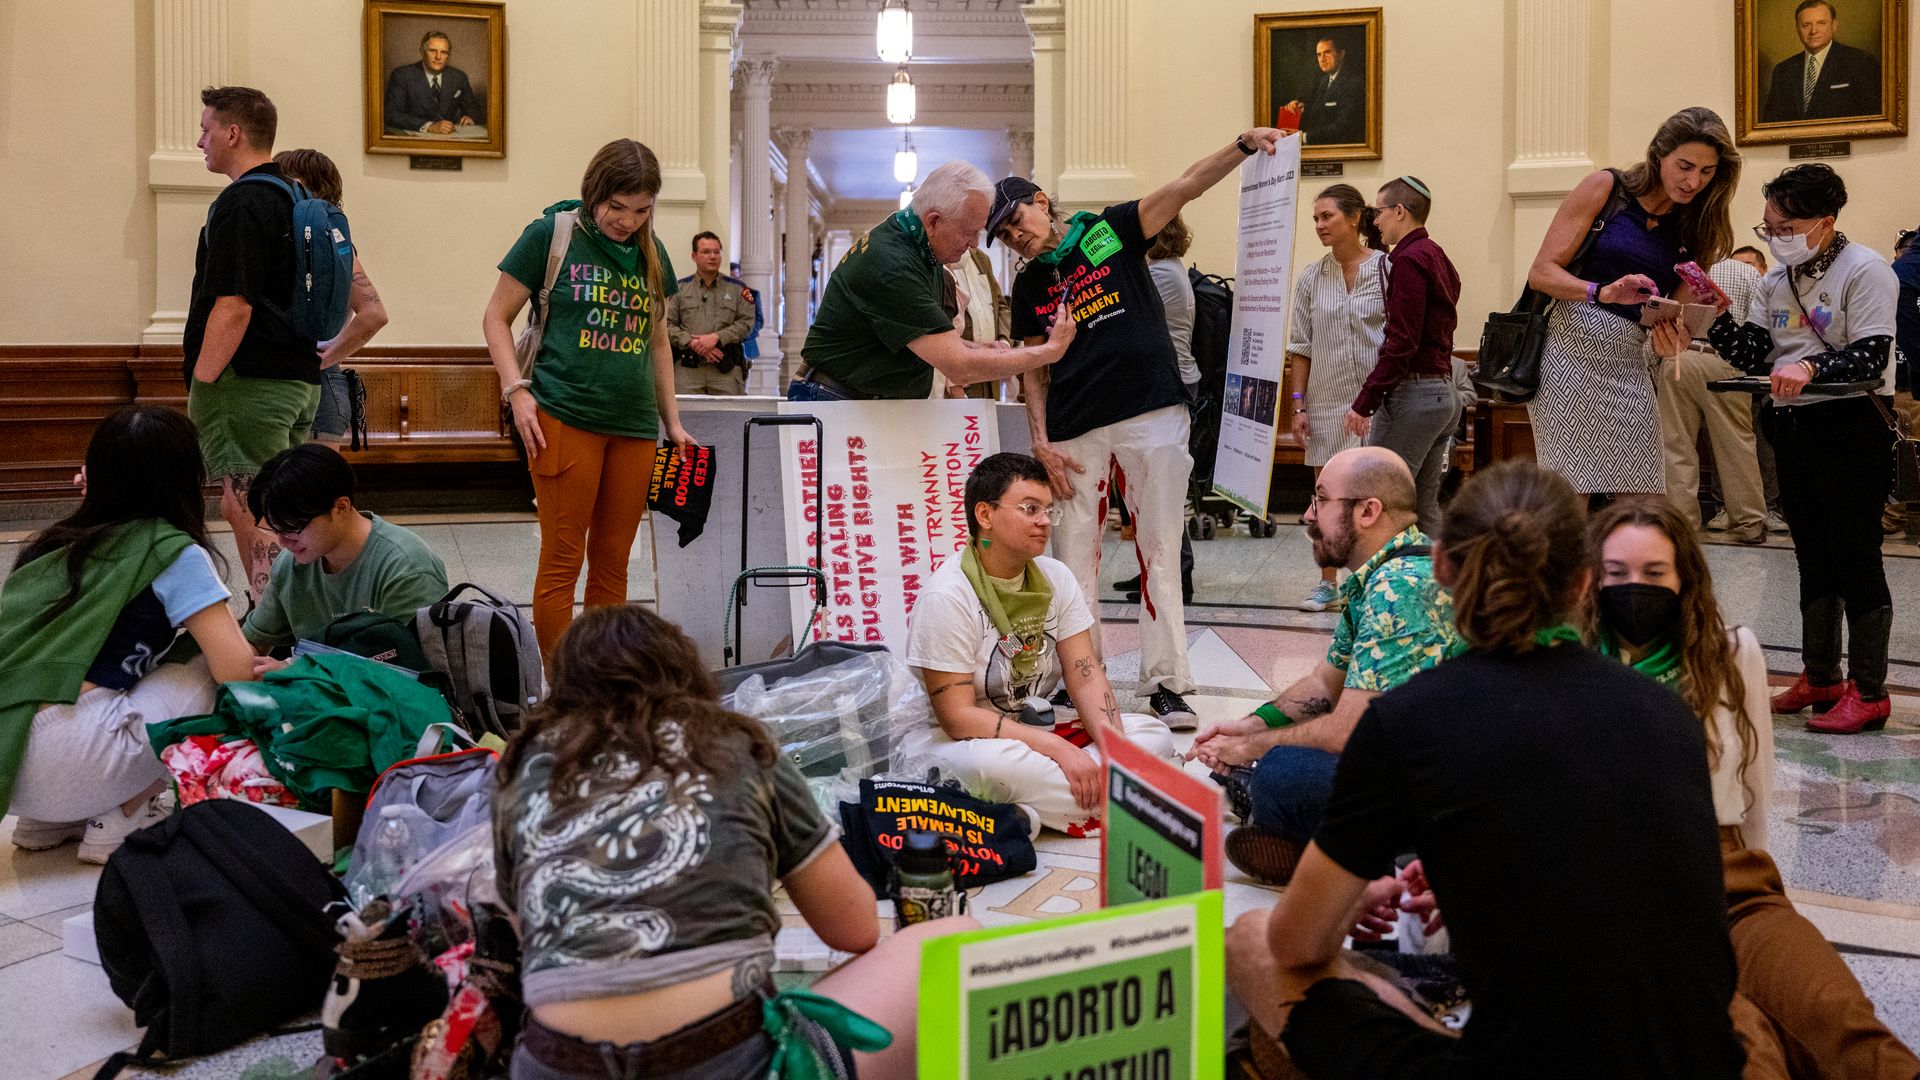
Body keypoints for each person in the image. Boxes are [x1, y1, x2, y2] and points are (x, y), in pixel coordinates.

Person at [1224, 461, 1744, 1080]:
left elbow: (1295, 945)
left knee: (1253, 938)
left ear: (1442, 566)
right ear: (1583, 584)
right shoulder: (1666, 714)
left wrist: (1346, 902)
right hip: (1704, 1062)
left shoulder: (1410, 720)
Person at [494, 604, 970, 1080]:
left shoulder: (524, 769)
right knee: (955, 941)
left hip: (553, 1064)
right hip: (723, 1058)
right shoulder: (736, 744)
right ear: (687, 672)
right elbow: (855, 929)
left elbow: (528, 936)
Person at [1588, 498, 1920, 1079]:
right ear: (1592, 580)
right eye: (1617, 574)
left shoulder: (1731, 653)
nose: (1634, 587)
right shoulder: (1572, 667)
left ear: (1685, 577)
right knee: (1743, 1045)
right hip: (1624, 894)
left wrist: (1769, 891)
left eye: (1653, 573)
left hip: (1733, 882)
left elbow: (1755, 791)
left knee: (1835, 1014)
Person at [993, 127, 1286, 729]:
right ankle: (1080, 677)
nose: (1014, 234)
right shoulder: (1028, 284)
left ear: (1041, 201)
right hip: (1075, 431)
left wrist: (1239, 145)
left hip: (1152, 412)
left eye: (1016, 217)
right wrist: (1041, 442)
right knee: (1074, 558)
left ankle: (1167, 682)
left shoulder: (1106, 231)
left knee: (1157, 548)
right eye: (1002, 233)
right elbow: (1032, 374)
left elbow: (1182, 187)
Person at [0, 407, 257, 864]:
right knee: (202, 667)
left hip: (10, 763)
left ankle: (47, 822)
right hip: (74, 761)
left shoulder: (50, 543)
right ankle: (119, 815)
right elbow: (238, 672)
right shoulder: (173, 551)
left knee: (106, 669)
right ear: (184, 477)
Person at [1187, 448, 1455, 885]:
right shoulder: (1377, 575)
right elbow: (1322, 685)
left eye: (1321, 500)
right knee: (1283, 762)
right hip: (1415, 768)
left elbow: (1346, 730)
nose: (1308, 515)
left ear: (1369, 511)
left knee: (1280, 775)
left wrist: (1256, 749)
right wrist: (1254, 725)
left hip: (1443, 790)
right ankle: (1312, 842)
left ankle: (1363, 858)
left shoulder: (1399, 587)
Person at [1700, 163, 1900, 734]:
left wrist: (1809, 364)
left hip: (1852, 425)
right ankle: (1821, 676)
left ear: (1824, 222)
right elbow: (1756, 352)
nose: (1775, 237)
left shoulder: (1866, 271)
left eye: (1784, 226)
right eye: (1768, 228)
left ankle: (1870, 690)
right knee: (1811, 553)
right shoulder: (1773, 282)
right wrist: (1714, 317)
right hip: (1793, 426)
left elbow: (1869, 357)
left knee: (1855, 554)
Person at [481, 139, 696, 658]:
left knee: (614, 562)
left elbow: (659, 341)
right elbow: (495, 318)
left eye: (642, 210)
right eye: (616, 207)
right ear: (594, 193)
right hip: (563, 415)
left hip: (635, 425)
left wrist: (673, 420)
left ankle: (600, 682)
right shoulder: (550, 235)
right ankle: (562, 691)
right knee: (562, 560)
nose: (627, 221)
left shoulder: (652, 250)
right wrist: (518, 393)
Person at [902, 453, 1176, 838]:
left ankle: (1025, 811)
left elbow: (1085, 674)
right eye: (1030, 509)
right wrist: (1059, 751)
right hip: (967, 743)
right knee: (996, 768)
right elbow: (957, 718)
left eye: (1048, 510)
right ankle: (1119, 796)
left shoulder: (1055, 577)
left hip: (1036, 728)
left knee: (1151, 735)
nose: (1045, 521)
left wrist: (1117, 750)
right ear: (985, 515)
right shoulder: (947, 596)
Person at [1526, 106, 1741, 499]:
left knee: (1643, 500)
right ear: (1659, 155)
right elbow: (1541, 272)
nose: (1693, 182)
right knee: (1571, 496)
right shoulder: (1607, 188)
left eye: (1706, 172)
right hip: (1569, 352)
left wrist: (1677, 336)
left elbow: (1672, 314)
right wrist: (1601, 291)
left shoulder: (1699, 224)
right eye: (1685, 166)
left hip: (1631, 360)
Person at [185, 86, 324, 607]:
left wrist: (203, 380)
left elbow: (234, 304)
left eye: (206, 129)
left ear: (233, 132)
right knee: (283, 508)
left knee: (253, 508)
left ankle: (271, 625)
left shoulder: (243, 202)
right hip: (297, 378)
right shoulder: (297, 197)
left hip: (247, 385)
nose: (200, 141)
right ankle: (294, 617)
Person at [791, 161, 1075, 401]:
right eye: (968, 231)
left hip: (860, 399)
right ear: (934, 221)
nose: (974, 243)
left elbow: (927, 340)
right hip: (835, 398)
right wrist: (1050, 351)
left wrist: (976, 348)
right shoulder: (894, 264)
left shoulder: (918, 247)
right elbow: (959, 368)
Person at [239, 444, 449, 655]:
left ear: (340, 507)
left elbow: (401, 664)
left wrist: (293, 670)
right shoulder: (290, 566)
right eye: (276, 529)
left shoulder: (407, 567)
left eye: (293, 529)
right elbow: (254, 642)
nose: (283, 542)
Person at [1287, 184, 1389, 610]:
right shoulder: (1312, 276)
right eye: (1315, 219)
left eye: (1327, 216)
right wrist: (1299, 404)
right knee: (1327, 497)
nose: (1319, 225)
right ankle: (1327, 582)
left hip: (1375, 402)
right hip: (1327, 404)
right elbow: (1300, 345)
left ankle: (1371, 580)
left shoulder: (1387, 268)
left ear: (1354, 218)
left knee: (1374, 497)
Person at [1347, 176, 1461, 534]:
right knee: (1423, 506)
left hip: (1414, 398)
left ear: (1400, 211)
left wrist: (1365, 401)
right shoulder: (1437, 254)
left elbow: (1402, 342)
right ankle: (1438, 587)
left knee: (1378, 502)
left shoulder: (1409, 260)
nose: (1375, 221)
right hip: (1443, 396)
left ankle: (1384, 588)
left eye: (1378, 212)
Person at [272, 148, 389, 442]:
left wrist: (320, 360)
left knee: (295, 485)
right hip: (325, 381)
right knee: (318, 485)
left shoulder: (317, 243)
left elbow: (375, 314)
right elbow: (372, 313)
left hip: (307, 381)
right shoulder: (334, 243)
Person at [1657, 255, 1770, 541]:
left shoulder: (1692, 272)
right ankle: (1749, 524)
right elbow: (1761, 327)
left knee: (1676, 444)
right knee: (1736, 443)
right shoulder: (1751, 275)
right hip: (1723, 362)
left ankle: (1681, 524)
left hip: (1678, 359)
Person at [1760, 0, 1880, 124]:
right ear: (1797, 28)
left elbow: (1873, 119)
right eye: (1806, 25)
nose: (1813, 31)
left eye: (1821, 23)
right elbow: (1771, 124)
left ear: (1834, 25)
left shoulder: (1861, 62)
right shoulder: (1783, 70)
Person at [667, 232, 756, 396]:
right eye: (706, 252)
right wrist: (694, 343)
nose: (713, 256)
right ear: (694, 256)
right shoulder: (679, 288)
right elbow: (667, 325)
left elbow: (747, 323)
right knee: (683, 417)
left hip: (725, 369)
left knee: (729, 418)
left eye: (717, 252)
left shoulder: (737, 289)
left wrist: (716, 337)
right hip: (688, 369)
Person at [383, 30, 484, 136]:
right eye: (433, 51)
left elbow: (473, 109)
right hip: (413, 140)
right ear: (422, 52)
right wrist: (429, 126)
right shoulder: (402, 75)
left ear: (448, 55)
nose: (438, 57)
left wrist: (470, 117)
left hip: (449, 140)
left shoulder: (458, 77)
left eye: (444, 52)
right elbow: (391, 114)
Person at [1283, 36, 1365, 146]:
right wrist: (1302, 107)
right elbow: (1322, 110)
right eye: (1319, 54)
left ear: (1341, 54)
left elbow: (1344, 127)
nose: (1322, 59)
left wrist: (1303, 137)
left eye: (1327, 52)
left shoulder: (1354, 83)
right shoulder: (1325, 80)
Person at [729, 259, 765, 365]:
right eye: (730, 278)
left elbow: (759, 320)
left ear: (740, 276)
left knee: (746, 379)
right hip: (728, 344)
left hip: (747, 342)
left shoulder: (752, 294)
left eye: (735, 278)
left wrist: (746, 334)